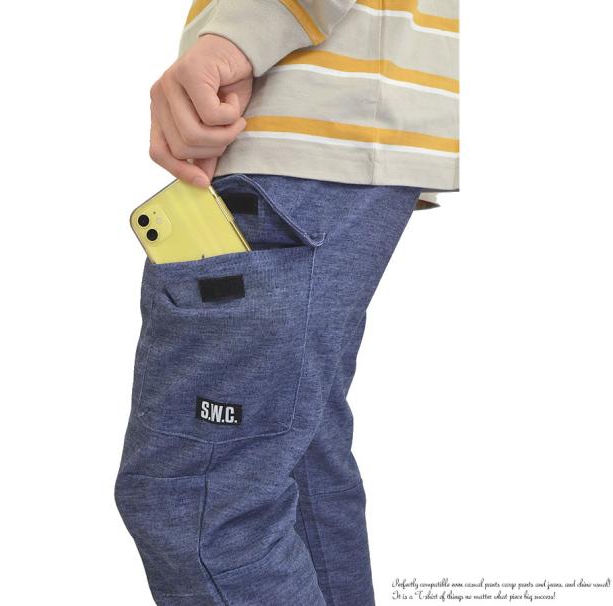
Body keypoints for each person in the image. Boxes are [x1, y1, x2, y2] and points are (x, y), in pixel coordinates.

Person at [114, 1, 459, 605]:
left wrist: (238, 37)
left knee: (198, 503)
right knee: (301, 471)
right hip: (339, 131)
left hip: (299, 128)